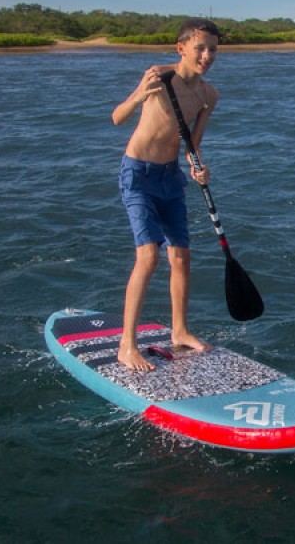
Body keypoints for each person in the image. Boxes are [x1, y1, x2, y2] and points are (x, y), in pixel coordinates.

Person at [111, 18, 221, 371]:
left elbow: (193, 145)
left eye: (213, 50)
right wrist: (140, 95)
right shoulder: (159, 77)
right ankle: (126, 346)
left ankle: (180, 330)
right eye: (200, 48)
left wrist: (198, 168)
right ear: (181, 48)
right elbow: (118, 117)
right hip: (138, 173)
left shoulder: (208, 95)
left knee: (181, 257)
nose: (206, 55)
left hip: (171, 178)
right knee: (148, 257)